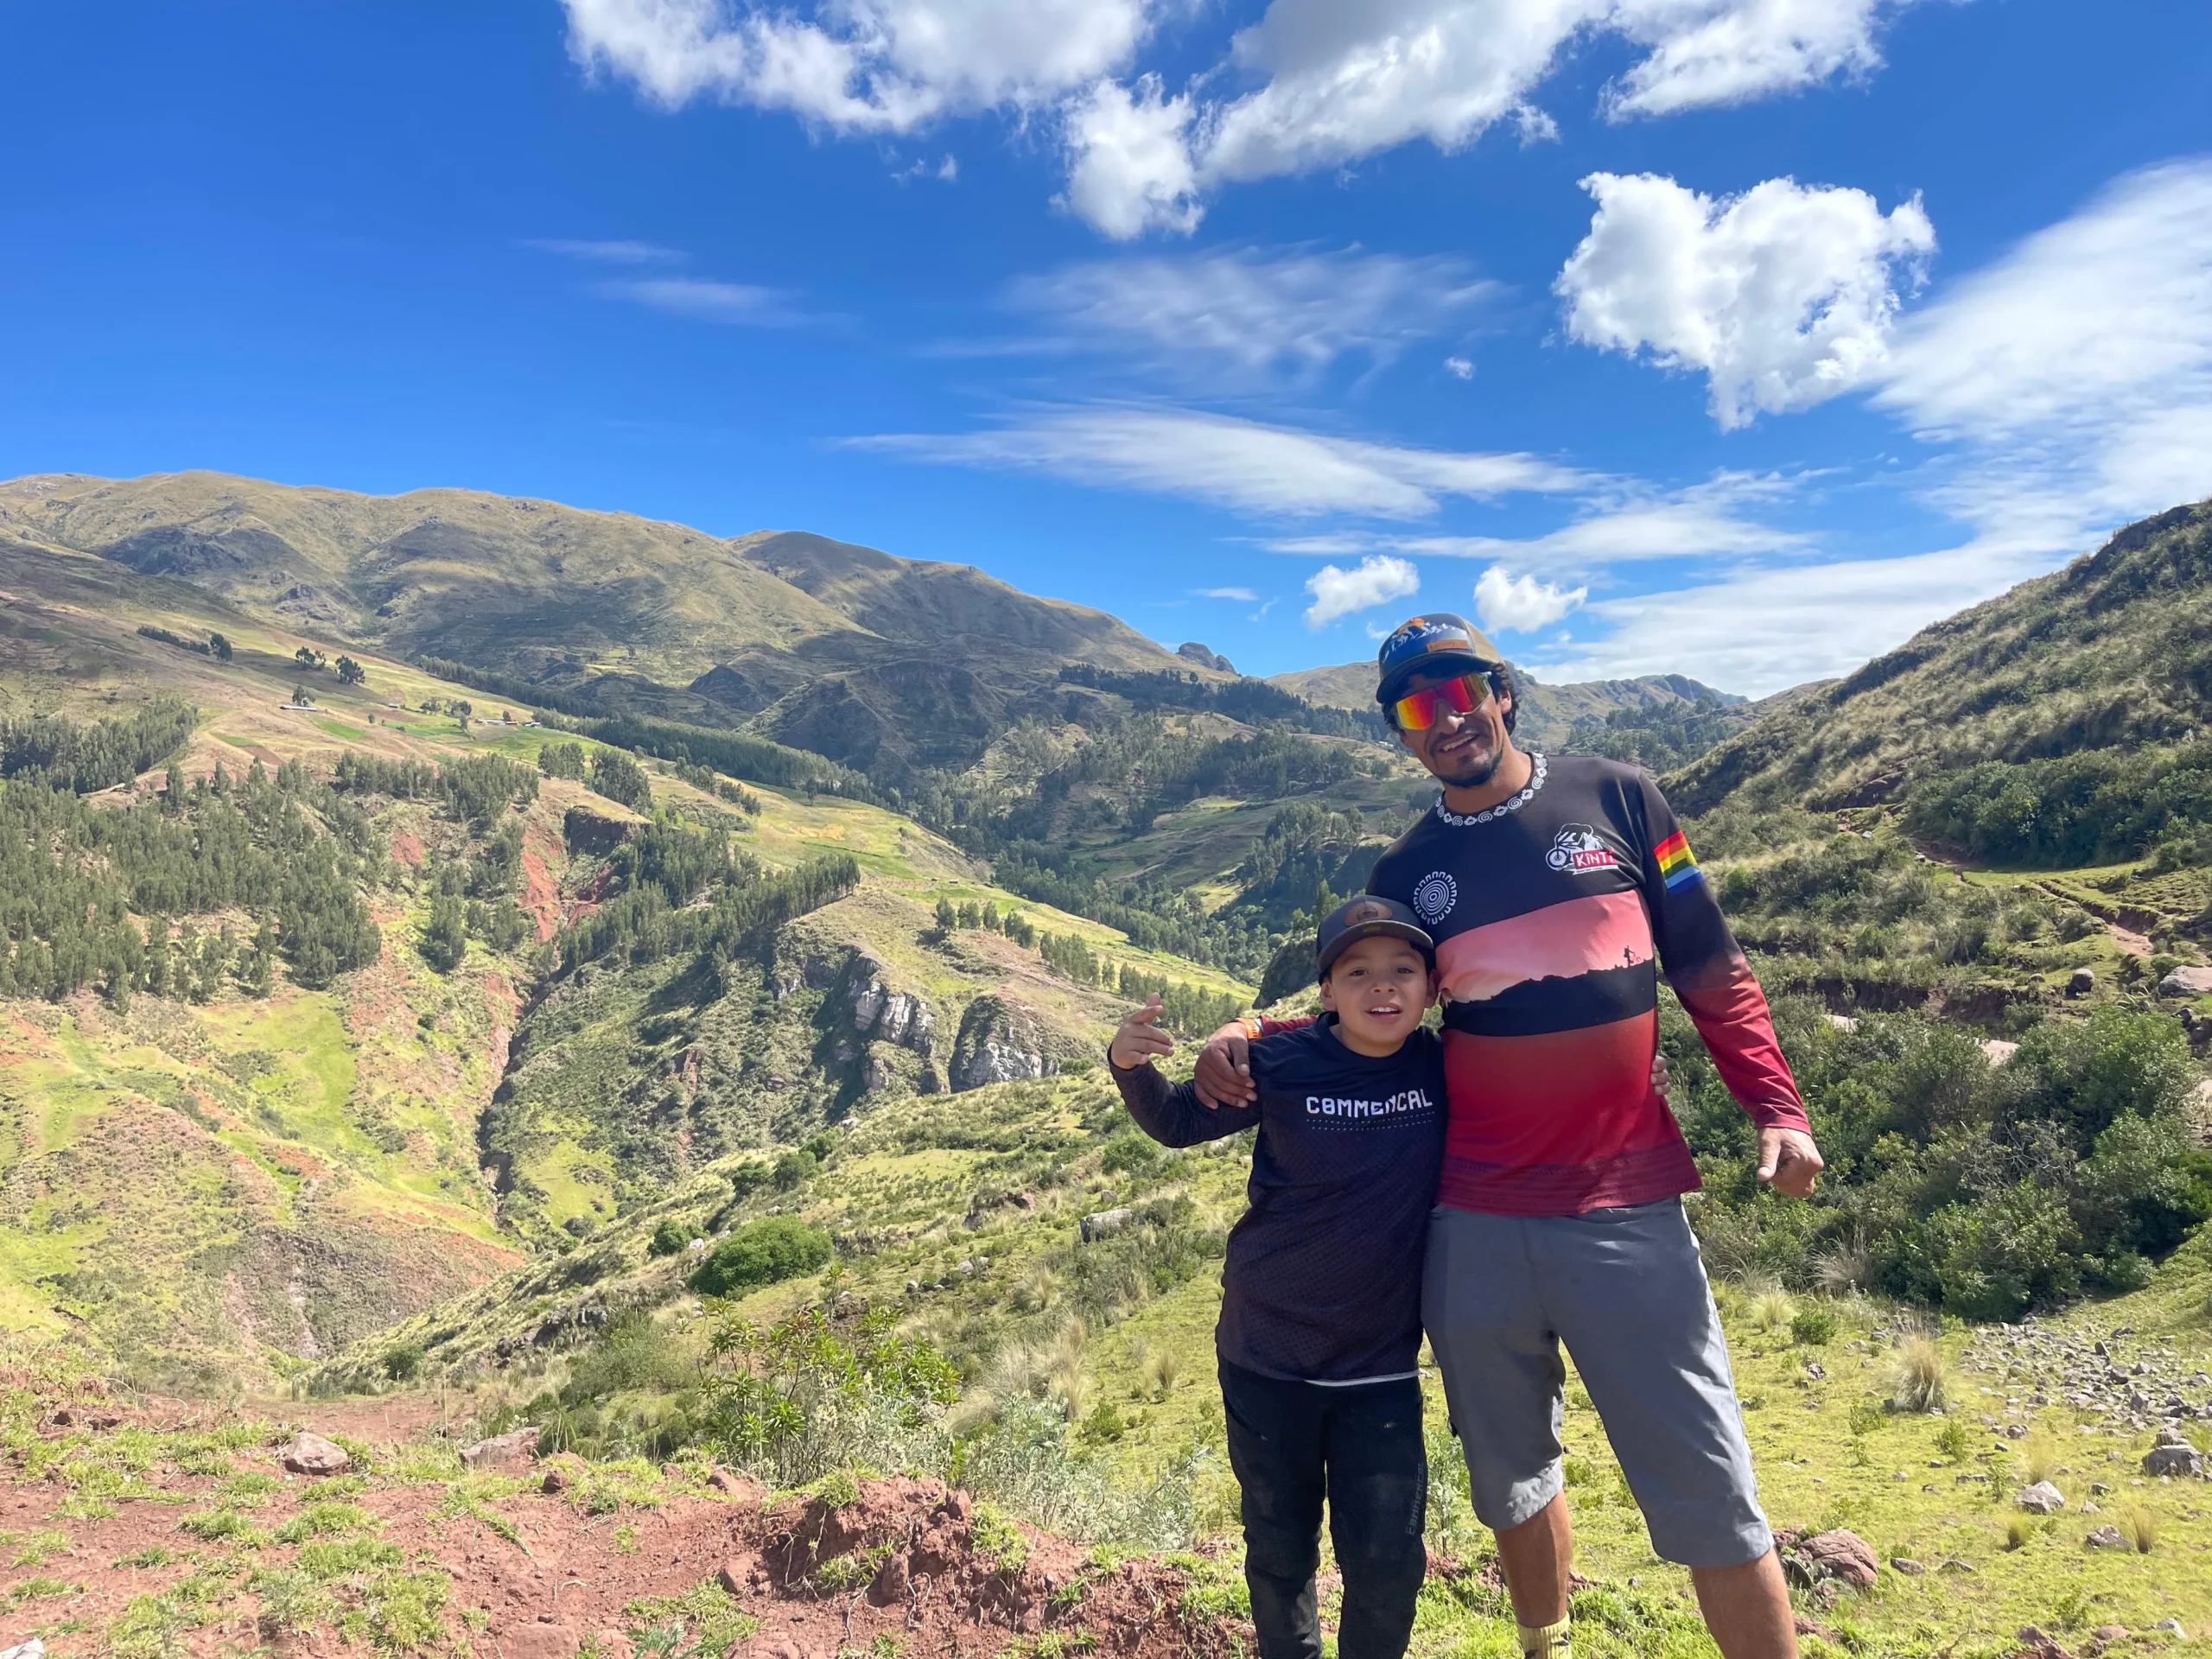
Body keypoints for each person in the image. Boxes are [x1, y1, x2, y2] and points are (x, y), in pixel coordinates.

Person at [1196, 613, 1824, 1659]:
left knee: (1710, 1488)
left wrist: (1777, 1107)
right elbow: (1366, 1001)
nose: (1445, 719)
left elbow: (1710, 967)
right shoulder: (1406, 870)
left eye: (1460, 692)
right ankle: (1549, 1647)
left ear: (1501, 691)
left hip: (1626, 1207)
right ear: (1399, 732)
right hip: (1473, 1217)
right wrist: (1247, 1028)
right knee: (1510, 1476)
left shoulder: (1623, 798)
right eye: (1415, 707)